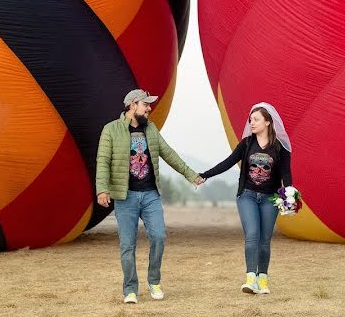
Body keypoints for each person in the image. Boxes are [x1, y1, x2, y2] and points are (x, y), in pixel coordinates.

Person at [95, 89, 203, 304]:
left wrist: (191, 174)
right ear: (134, 104)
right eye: (146, 104)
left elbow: (168, 153)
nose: (150, 108)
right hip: (125, 197)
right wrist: (102, 189)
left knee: (159, 236)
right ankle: (130, 289)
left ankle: (154, 281)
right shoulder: (111, 130)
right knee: (128, 246)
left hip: (150, 194)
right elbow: (103, 160)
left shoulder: (150, 129)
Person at [199, 102, 293, 295]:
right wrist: (205, 174)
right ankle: (250, 278)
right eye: (250, 120)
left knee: (264, 240)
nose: (252, 123)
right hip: (247, 196)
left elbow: (286, 173)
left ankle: (263, 280)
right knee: (252, 236)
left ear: (267, 122)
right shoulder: (246, 144)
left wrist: (289, 195)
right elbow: (228, 162)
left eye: (256, 119)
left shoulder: (280, 147)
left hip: (270, 198)